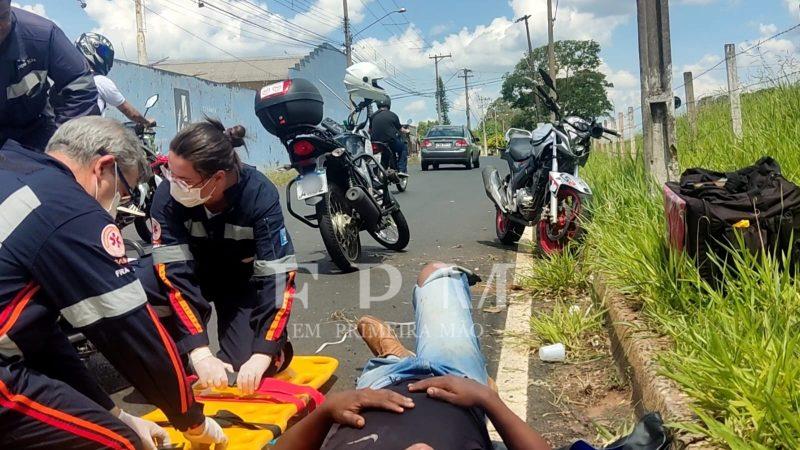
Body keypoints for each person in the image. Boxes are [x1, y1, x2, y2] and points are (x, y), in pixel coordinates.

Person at [0, 116, 228, 449]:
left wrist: (115, 412)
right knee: (120, 445)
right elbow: (130, 332)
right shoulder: (70, 208)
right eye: (122, 192)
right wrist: (191, 420)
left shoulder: (14, 167)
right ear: (104, 168)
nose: (119, 205)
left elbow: (40, 339)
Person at [273, 262, 551, 450]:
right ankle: (401, 357)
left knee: (387, 364)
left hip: (379, 384)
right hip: (459, 382)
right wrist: (487, 399)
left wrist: (325, 411)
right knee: (435, 272)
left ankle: (393, 358)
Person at [135, 118, 297, 396]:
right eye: (170, 173)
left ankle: (275, 350)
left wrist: (264, 352)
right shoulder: (167, 197)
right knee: (140, 284)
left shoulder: (258, 194)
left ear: (218, 178)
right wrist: (197, 349)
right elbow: (173, 274)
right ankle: (174, 355)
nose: (173, 184)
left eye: (183, 179)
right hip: (192, 276)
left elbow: (278, 276)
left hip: (239, 283)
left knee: (244, 366)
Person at [0, 1, 99, 151]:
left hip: (34, 135)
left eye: (2, 17)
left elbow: (81, 87)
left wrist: (61, 146)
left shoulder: (43, 35)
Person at [75, 32, 156, 127]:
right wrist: (146, 122)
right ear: (89, 50)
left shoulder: (66, 80)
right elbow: (129, 112)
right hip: (88, 137)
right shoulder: (99, 81)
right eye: (103, 52)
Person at [370, 97, 409, 175]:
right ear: (388, 104)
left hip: (376, 143)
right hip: (390, 142)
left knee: (385, 153)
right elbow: (401, 129)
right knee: (403, 147)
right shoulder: (392, 115)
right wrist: (407, 131)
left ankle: (382, 171)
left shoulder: (372, 116)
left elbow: (370, 130)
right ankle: (402, 170)